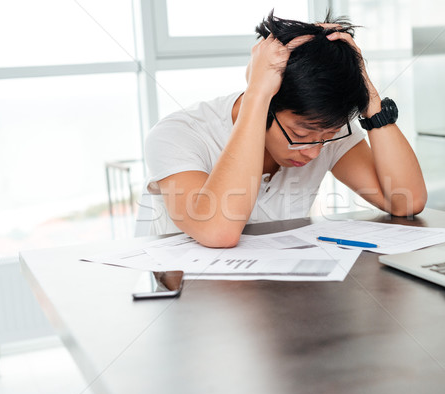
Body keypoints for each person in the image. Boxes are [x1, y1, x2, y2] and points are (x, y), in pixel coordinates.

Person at [144, 12, 427, 247]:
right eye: (301, 135)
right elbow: (219, 231)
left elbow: (406, 200)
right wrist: (256, 94)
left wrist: (368, 95)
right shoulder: (178, 134)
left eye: (327, 138)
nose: (315, 152)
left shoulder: (325, 129)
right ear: (267, 102)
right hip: (193, 302)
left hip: (283, 299)